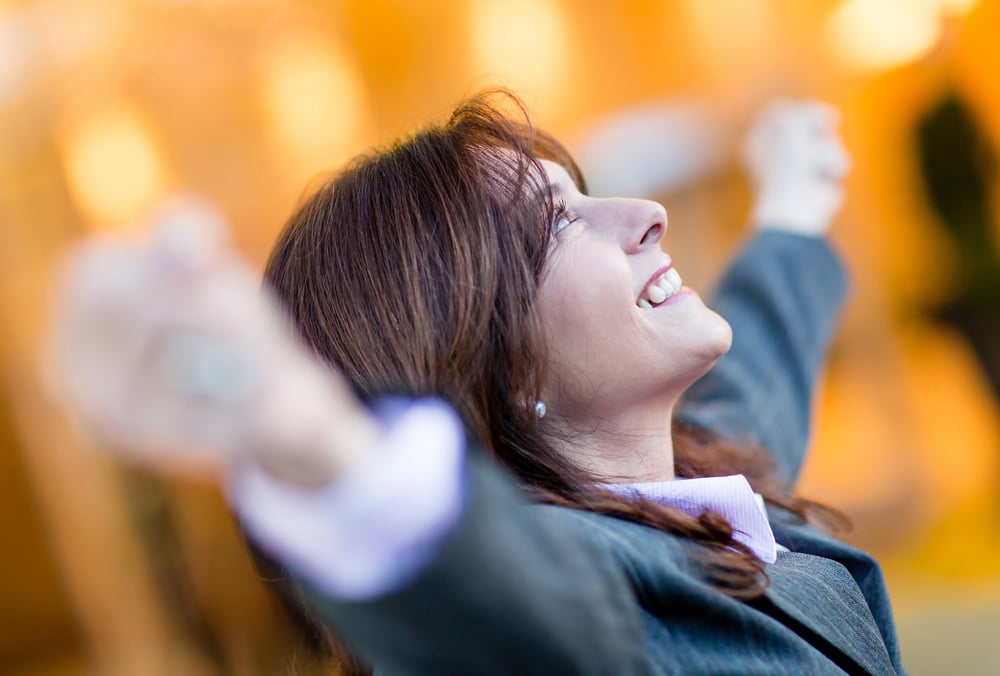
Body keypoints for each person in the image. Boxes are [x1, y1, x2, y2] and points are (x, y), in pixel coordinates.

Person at [49, 90, 904, 674]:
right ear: (484, 355)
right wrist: (316, 440)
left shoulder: (694, 475)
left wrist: (794, 203)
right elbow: (496, 597)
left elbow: (761, 370)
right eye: (557, 224)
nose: (647, 214)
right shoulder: (572, 593)